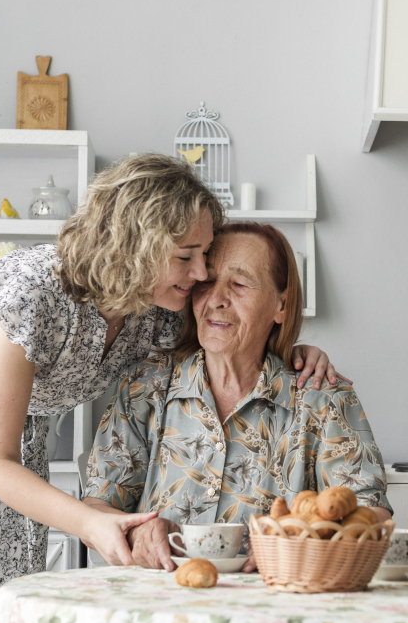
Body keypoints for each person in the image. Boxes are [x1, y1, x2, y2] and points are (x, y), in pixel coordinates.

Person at [0, 155, 343, 623]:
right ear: (137, 243)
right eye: (187, 256)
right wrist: (88, 522)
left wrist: (296, 351)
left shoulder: (156, 310)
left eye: (205, 255)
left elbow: (231, 338)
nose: (200, 273)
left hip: (16, 451)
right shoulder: (35, 291)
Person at [84, 221, 392, 571]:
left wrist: (296, 543)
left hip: (276, 605)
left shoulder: (325, 399)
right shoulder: (144, 387)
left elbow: (372, 516)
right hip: (158, 603)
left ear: (281, 304)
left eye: (240, 284)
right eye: (206, 282)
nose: (216, 299)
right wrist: (138, 536)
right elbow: (95, 507)